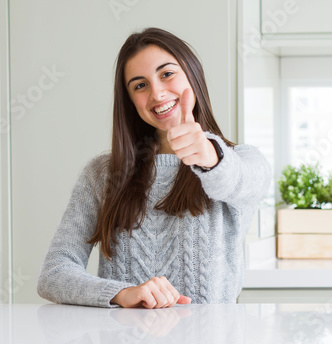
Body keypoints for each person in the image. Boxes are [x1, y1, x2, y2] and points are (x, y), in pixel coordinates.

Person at [36, 27, 271, 308]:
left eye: (167, 74)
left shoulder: (242, 160)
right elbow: (54, 274)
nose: (157, 93)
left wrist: (209, 156)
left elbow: (240, 179)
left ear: (192, 74)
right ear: (130, 100)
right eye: (140, 85)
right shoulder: (102, 173)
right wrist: (122, 293)